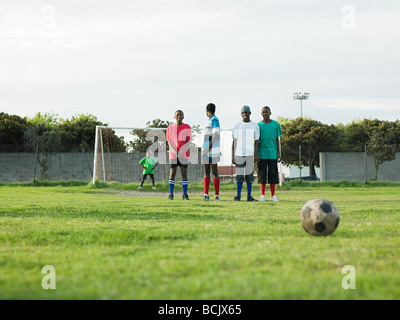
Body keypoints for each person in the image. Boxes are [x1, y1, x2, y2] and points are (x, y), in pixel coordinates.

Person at [232, 105, 260, 201]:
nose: (245, 114)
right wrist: (233, 155)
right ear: (241, 114)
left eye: (246, 112)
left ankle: (249, 196)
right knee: (239, 176)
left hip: (250, 154)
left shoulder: (254, 126)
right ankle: (238, 196)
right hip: (239, 154)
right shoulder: (237, 126)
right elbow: (234, 141)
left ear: (250, 113)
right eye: (243, 113)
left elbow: (257, 141)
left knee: (249, 176)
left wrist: (256, 154)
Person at [257, 106, 282, 202]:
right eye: (263, 112)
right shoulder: (258, 125)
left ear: (270, 113)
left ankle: (273, 195)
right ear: (261, 113)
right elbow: (256, 141)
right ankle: (262, 195)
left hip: (272, 153)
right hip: (262, 154)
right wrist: (256, 154)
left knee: (273, 174)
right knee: (262, 174)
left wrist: (278, 154)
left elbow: (277, 139)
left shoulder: (275, 124)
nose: (265, 114)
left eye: (267, 112)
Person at [166, 110, 192, 200]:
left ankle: (185, 194)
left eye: (181, 115)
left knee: (184, 173)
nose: (179, 117)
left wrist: (182, 151)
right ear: (174, 117)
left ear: (183, 117)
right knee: (172, 173)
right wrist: (175, 152)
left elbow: (188, 141)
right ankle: (170, 194)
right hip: (173, 155)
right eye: (177, 115)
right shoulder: (170, 128)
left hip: (183, 155)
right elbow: (169, 142)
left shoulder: (187, 127)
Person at [202, 103, 221, 201]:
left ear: (207, 111)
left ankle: (217, 195)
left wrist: (208, 148)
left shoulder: (214, 120)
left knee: (214, 171)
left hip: (213, 150)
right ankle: (206, 194)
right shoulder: (209, 121)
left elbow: (215, 135)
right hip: (206, 150)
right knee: (206, 171)